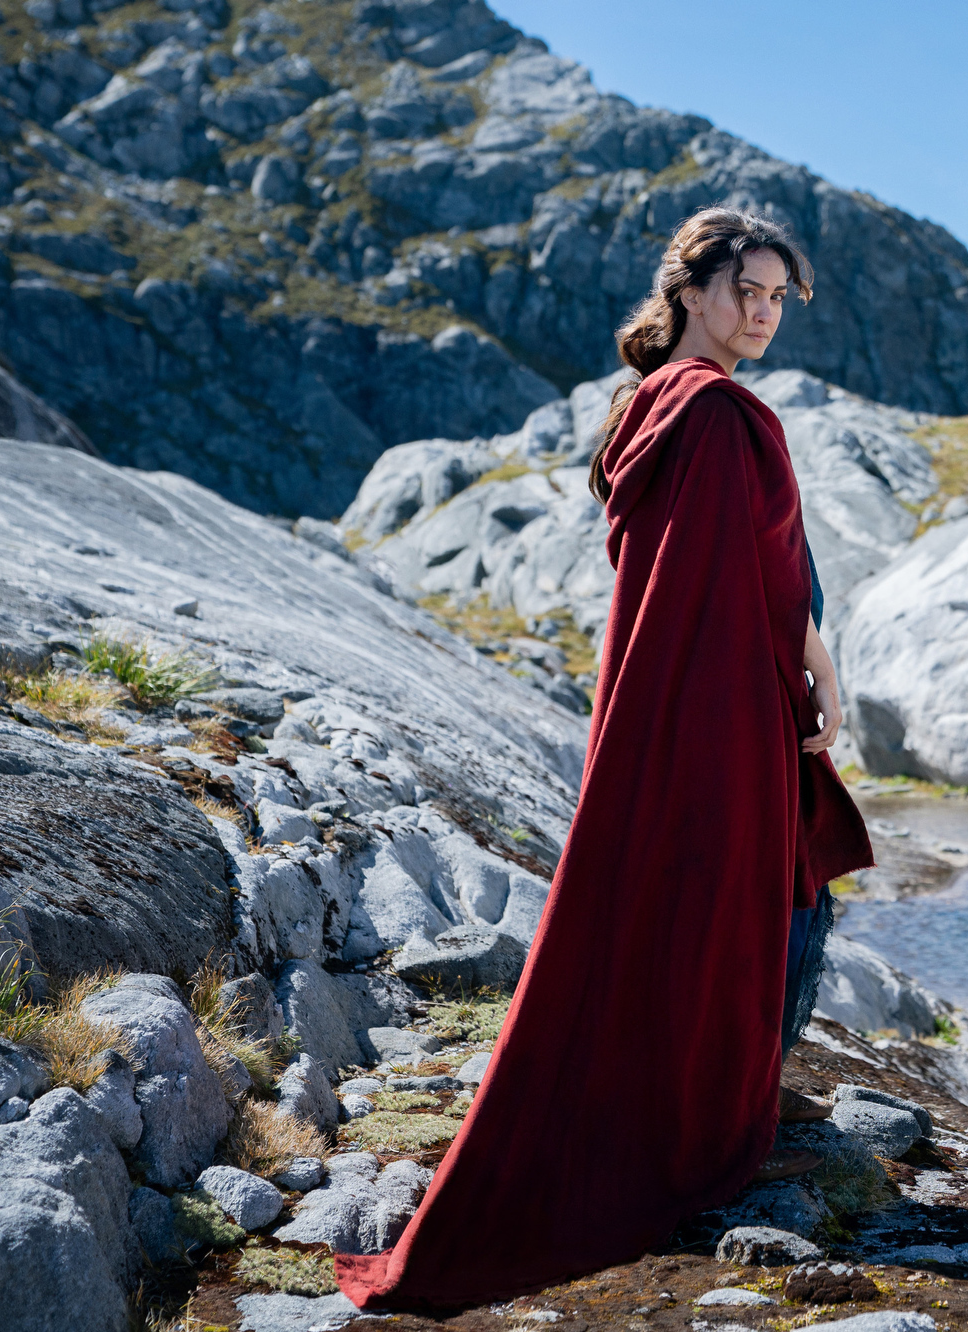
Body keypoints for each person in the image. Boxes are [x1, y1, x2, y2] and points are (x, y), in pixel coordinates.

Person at [335, 207, 874, 1310]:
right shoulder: (716, 412)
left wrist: (802, 652)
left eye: (778, 298)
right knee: (774, 907)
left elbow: (729, 573)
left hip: (692, 706)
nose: (764, 314)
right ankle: (714, 1125)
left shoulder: (648, 405)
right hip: (721, 714)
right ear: (688, 292)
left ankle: (704, 1109)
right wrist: (812, 662)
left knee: (735, 906)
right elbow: (748, 587)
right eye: (747, 292)